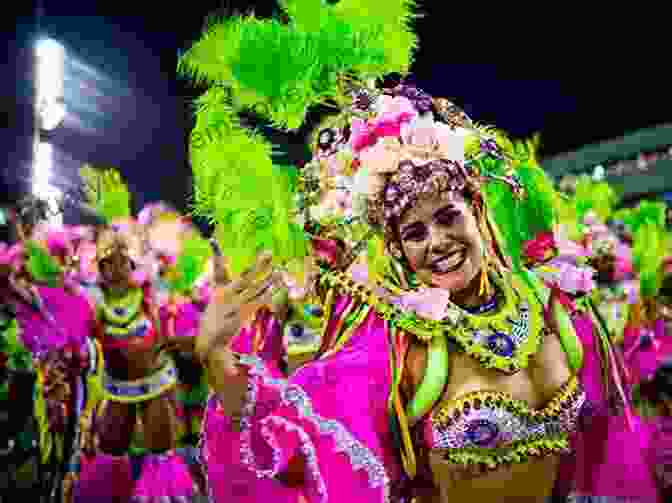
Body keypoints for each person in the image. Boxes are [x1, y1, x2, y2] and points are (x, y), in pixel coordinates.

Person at [193, 78, 589, 502]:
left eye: (447, 216)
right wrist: (215, 355)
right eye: (415, 233)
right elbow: (298, 437)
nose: (436, 242)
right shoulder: (398, 342)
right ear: (399, 249)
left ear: (476, 207)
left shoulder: (552, 304)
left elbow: (604, 443)